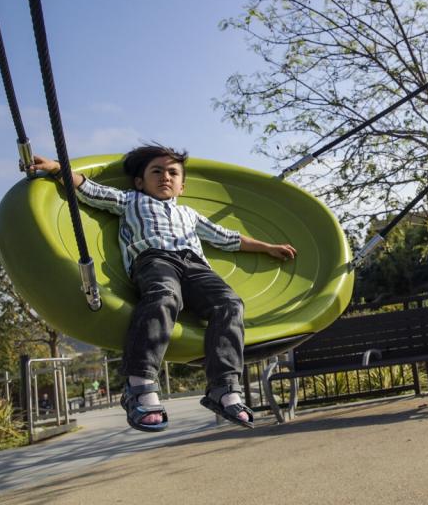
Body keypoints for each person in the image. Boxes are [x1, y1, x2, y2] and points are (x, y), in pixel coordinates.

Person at [31, 146, 297, 432]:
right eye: (156, 172)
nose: (165, 177)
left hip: (196, 266)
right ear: (139, 182)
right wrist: (59, 169)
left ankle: (223, 387)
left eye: (173, 173)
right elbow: (91, 190)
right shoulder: (131, 201)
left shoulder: (189, 215)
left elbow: (227, 238)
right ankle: (140, 384)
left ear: (182, 186)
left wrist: (267, 247)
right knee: (165, 297)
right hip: (154, 259)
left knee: (231, 304)